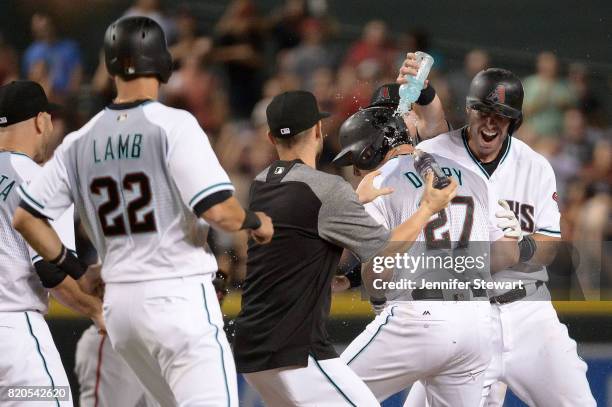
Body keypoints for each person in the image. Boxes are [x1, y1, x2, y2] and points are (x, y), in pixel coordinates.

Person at [12, 17, 273, 407]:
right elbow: (219, 211)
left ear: (112, 67)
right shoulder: (174, 124)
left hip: (121, 312)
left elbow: (26, 218)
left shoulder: (79, 140)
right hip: (177, 298)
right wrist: (256, 222)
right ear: (162, 63)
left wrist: (78, 270)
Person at [232, 90, 458, 406]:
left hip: (251, 349)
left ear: (270, 138)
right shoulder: (329, 190)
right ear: (317, 131)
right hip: (296, 350)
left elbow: (300, 231)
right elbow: (383, 252)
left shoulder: (262, 182)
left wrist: (353, 202)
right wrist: (427, 209)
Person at [407, 68, 596, 406]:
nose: (491, 123)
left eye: (502, 116)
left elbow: (550, 243)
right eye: (484, 112)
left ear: (515, 121)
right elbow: (427, 130)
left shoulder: (535, 166)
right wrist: (423, 95)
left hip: (529, 314)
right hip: (462, 316)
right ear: (469, 110)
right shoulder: (439, 153)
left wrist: (520, 249)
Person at [333, 99, 521, 407]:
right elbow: (506, 256)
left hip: (418, 317)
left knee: (323, 397)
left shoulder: (377, 181)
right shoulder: (472, 175)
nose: (355, 168)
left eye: (357, 156)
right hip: (476, 324)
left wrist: (377, 296)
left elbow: (379, 262)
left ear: (373, 148)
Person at [0, 80, 103, 407]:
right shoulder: (36, 178)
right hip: (14, 338)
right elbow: (50, 271)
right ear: (39, 121)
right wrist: (96, 310)